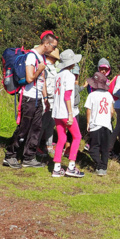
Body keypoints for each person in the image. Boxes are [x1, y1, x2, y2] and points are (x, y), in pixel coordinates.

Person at [3, 32, 58, 169]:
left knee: (36, 128)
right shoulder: (31, 57)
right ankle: (10, 155)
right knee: (23, 128)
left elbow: (42, 80)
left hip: (38, 98)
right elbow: (29, 78)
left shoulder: (43, 58)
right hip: (28, 97)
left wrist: (45, 98)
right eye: (53, 47)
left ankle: (29, 157)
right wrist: (39, 69)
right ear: (46, 44)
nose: (54, 50)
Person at [51, 49, 85, 178]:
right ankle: (71, 166)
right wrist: (71, 113)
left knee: (62, 138)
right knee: (77, 136)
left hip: (57, 112)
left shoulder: (58, 75)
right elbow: (67, 96)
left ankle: (57, 167)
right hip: (65, 112)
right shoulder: (70, 76)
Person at [85, 72, 115, 176]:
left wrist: (88, 123)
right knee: (105, 148)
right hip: (106, 125)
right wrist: (107, 119)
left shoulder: (92, 95)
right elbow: (112, 111)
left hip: (95, 124)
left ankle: (99, 164)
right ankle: (104, 167)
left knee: (93, 147)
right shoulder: (109, 95)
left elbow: (88, 110)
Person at [39, 48, 60, 157]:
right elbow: (44, 83)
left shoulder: (53, 68)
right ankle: (36, 146)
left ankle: (48, 144)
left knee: (50, 123)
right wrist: (46, 97)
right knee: (42, 123)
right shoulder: (45, 67)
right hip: (46, 99)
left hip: (53, 100)